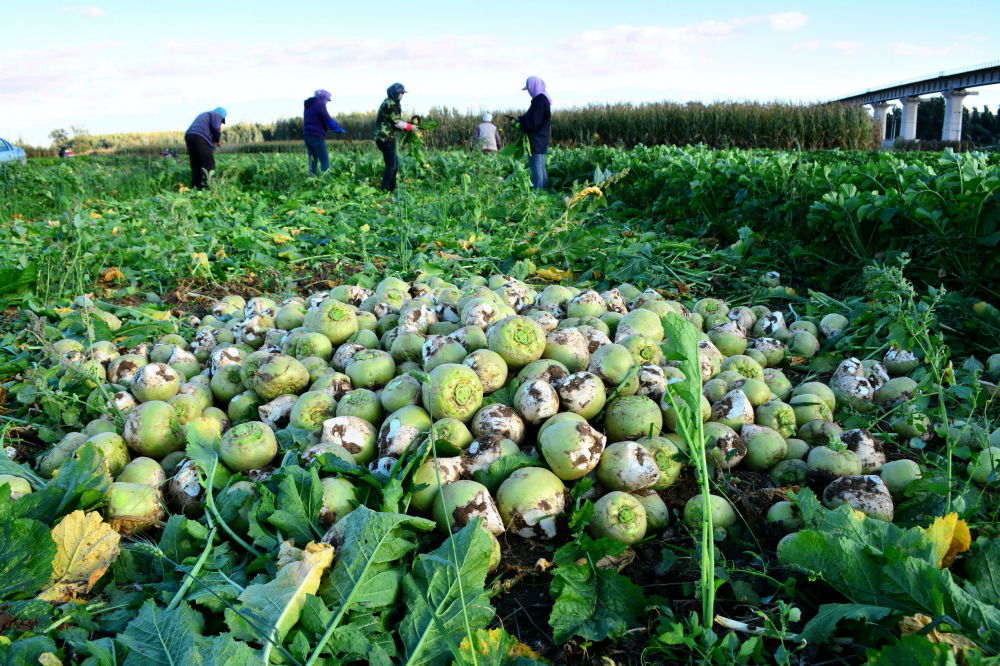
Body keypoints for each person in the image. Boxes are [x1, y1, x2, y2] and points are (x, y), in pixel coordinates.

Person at [373, 82, 416, 191]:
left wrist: (406, 126)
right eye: (401, 93)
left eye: (403, 93)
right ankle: (384, 190)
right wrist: (411, 127)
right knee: (391, 166)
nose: (402, 95)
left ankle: (391, 189)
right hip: (386, 138)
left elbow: (392, 122)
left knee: (394, 166)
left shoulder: (388, 102)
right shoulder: (391, 104)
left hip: (384, 138)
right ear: (395, 93)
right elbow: (396, 122)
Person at [517, 77, 552, 189]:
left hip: (536, 138)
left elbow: (533, 122)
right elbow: (531, 117)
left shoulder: (539, 101)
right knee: (540, 166)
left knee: (536, 166)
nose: (528, 92)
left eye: (529, 89)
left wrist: (521, 125)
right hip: (541, 137)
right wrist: (520, 119)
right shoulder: (542, 99)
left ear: (534, 87)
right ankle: (543, 190)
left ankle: (537, 191)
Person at [303, 89, 346, 175]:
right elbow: (327, 120)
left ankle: (312, 180)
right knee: (325, 161)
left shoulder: (309, 105)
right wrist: (339, 129)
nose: (327, 102)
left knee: (312, 161)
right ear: (323, 97)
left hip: (307, 136)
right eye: (327, 99)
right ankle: (326, 182)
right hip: (317, 137)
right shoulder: (320, 104)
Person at [184, 107, 227, 190]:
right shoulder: (216, 115)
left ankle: (196, 187)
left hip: (189, 136)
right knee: (209, 164)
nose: (220, 122)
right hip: (200, 137)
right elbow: (215, 128)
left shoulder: (205, 114)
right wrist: (217, 140)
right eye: (222, 120)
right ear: (222, 116)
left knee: (196, 164)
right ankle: (210, 188)